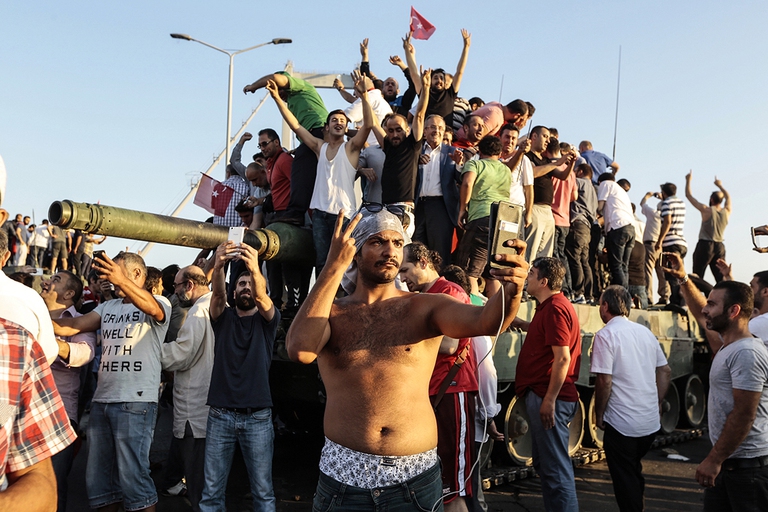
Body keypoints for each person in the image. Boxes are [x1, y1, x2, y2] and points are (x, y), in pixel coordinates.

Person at [286, 207, 528, 512]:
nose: (390, 251)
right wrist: (332, 267)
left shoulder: (425, 307)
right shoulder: (331, 314)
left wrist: (513, 287)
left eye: (398, 243)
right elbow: (299, 349)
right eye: (377, 242)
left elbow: (485, 321)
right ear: (355, 254)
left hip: (414, 482)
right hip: (343, 480)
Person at [52, 251, 171, 512]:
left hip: (136, 403)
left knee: (135, 483)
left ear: (137, 274)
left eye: (114, 273)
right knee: (101, 487)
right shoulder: (107, 307)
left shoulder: (161, 302)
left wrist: (121, 280)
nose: (109, 280)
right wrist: (33, 315)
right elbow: (71, 326)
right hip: (102, 402)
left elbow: (154, 309)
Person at [661, 252, 768, 510]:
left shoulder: (745, 353)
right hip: (730, 466)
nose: (706, 309)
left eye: (712, 304)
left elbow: (744, 414)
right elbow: (701, 315)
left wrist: (713, 459)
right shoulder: (726, 345)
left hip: (746, 470)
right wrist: (684, 279)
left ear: (734, 311)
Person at [0, 155, 77, 510]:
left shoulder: (14, 343)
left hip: (52, 415)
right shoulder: (29, 308)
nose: (50, 280)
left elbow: (40, 487)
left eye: (58, 280)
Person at [399, 242, 479, 511]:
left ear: (423, 262)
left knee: (452, 486)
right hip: (435, 391)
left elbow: (449, 345)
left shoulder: (449, 292)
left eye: (405, 269)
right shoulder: (426, 295)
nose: (403, 278)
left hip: (451, 390)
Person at [200, 242, 279, 512]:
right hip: (220, 415)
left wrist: (254, 268)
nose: (246, 287)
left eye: (250, 284)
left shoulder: (268, 320)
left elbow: (263, 299)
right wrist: (219, 265)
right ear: (235, 292)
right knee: (211, 494)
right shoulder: (223, 318)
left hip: (257, 417)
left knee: (263, 492)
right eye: (241, 284)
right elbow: (218, 296)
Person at [266, 72, 372, 274]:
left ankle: (342, 303)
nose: (339, 122)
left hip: (344, 214)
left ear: (347, 126)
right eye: (334, 120)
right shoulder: (319, 147)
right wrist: (278, 99)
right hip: (320, 216)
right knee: (322, 264)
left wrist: (364, 97)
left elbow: (368, 125)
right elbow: (296, 126)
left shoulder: (351, 148)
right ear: (326, 126)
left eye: (342, 120)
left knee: (345, 266)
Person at [591, 285, 671, 512]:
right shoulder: (645, 332)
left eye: (600, 304)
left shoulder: (605, 335)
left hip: (622, 424)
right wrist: (657, 402)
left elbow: (604, 382)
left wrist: (599, 414)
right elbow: (665, 371)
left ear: (605, 306)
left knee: (625, 480)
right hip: (649, 423)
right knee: (633, 470)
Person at [512, 257, 581, 512]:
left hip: (548, 396)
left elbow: (562, 357)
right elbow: (547, 335)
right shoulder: (550, 308)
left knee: (556, 472)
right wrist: (521, 324)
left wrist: (549, 400)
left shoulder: (555, 308)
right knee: (548, 467)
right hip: (544, 395)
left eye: (531, 274)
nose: (527, 277)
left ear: (543, 281)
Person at [40, 270, 97, 512]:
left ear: (70, 293)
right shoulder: (32, 314)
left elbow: (85, 354)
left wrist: (48, 343)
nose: (46, 281)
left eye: (56, 280)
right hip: (20, 412)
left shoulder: (81, 322)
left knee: (53, 486)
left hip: (59, 417)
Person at [161, 266, 214, 512]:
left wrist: (152, 352)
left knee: (196, 474)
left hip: (195, 400)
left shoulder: (197, 311)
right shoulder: (215, 303)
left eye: (177, 286)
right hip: (208, 396)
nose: (176, 291)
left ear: (190, 285)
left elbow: (182, 353)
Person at [244, 71, 329, 225]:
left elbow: (276, 78)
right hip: (309, 137)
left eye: (280, 89)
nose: (280, 94)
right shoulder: (291, 102)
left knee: (299, 169)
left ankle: (296, 213)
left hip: (318, 130)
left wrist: (254, 86)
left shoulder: (301, 86)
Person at [456, 135, 512, 296]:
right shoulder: (506, 169)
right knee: (492, 274)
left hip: (481, 218)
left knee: (469, 272)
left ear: (479, 150)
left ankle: (472, 314)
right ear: (500, 153)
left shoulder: (475, 164)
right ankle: (498, 316)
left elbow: (467, 183)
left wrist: (462, 209)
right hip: (504, 222)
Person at [413, 114, 460, 265]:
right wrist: (415, 162)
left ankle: (440, 286)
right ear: (424, 131)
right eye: (432, 127)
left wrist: (459, 165)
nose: (436, 131)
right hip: (417, 206)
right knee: (416, 251)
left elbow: (461, 179)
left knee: (439, 254)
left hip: (440, 208)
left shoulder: (451, 152)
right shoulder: (415, 151)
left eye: (440, 128)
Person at [405, 29, 471, 128]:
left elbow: (460, 72)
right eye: (435, 78)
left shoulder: (450, 94)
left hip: (446, 136)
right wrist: (407, 51)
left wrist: (466, 47)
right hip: (426, 135)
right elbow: (414, 74)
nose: (439, 80)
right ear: (430, 81)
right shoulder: (425, 93)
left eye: (441, 78)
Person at [685, 171, 731, 282]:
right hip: (720, 246)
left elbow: (689, 196)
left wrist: (688, 180)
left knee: (697, 276)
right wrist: (720, 185)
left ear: (711, 199)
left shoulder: (707, 210)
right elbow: (728, 198)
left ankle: (697, 297)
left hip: (705, 245)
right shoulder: (727, 211)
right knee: (721, 277)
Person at [597, 173, 636, 288]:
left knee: (616, 265)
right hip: (630, 228)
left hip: (617, 227)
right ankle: (627, 296)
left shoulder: (605, 184)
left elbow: (599, 207)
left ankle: (623, 297)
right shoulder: (621, 191)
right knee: (624, 265)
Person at [566, 164, 597, 304]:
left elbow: (567, 182)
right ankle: (588, 295)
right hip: (588, 227)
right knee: (585, 261)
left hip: (578, 223)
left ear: (580, 171)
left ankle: (578, 293)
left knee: (574, 258)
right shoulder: (594, 190)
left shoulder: (580, 182)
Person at [655, 182, 686, 305]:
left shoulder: (666, 203)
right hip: (681, 241)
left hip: (670, 241)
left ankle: (676, 301)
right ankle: (682, 298)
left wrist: (660, 240)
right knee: (680, 272)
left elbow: (667, 222)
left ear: (664, 192)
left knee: (671, 273)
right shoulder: (681, 203)